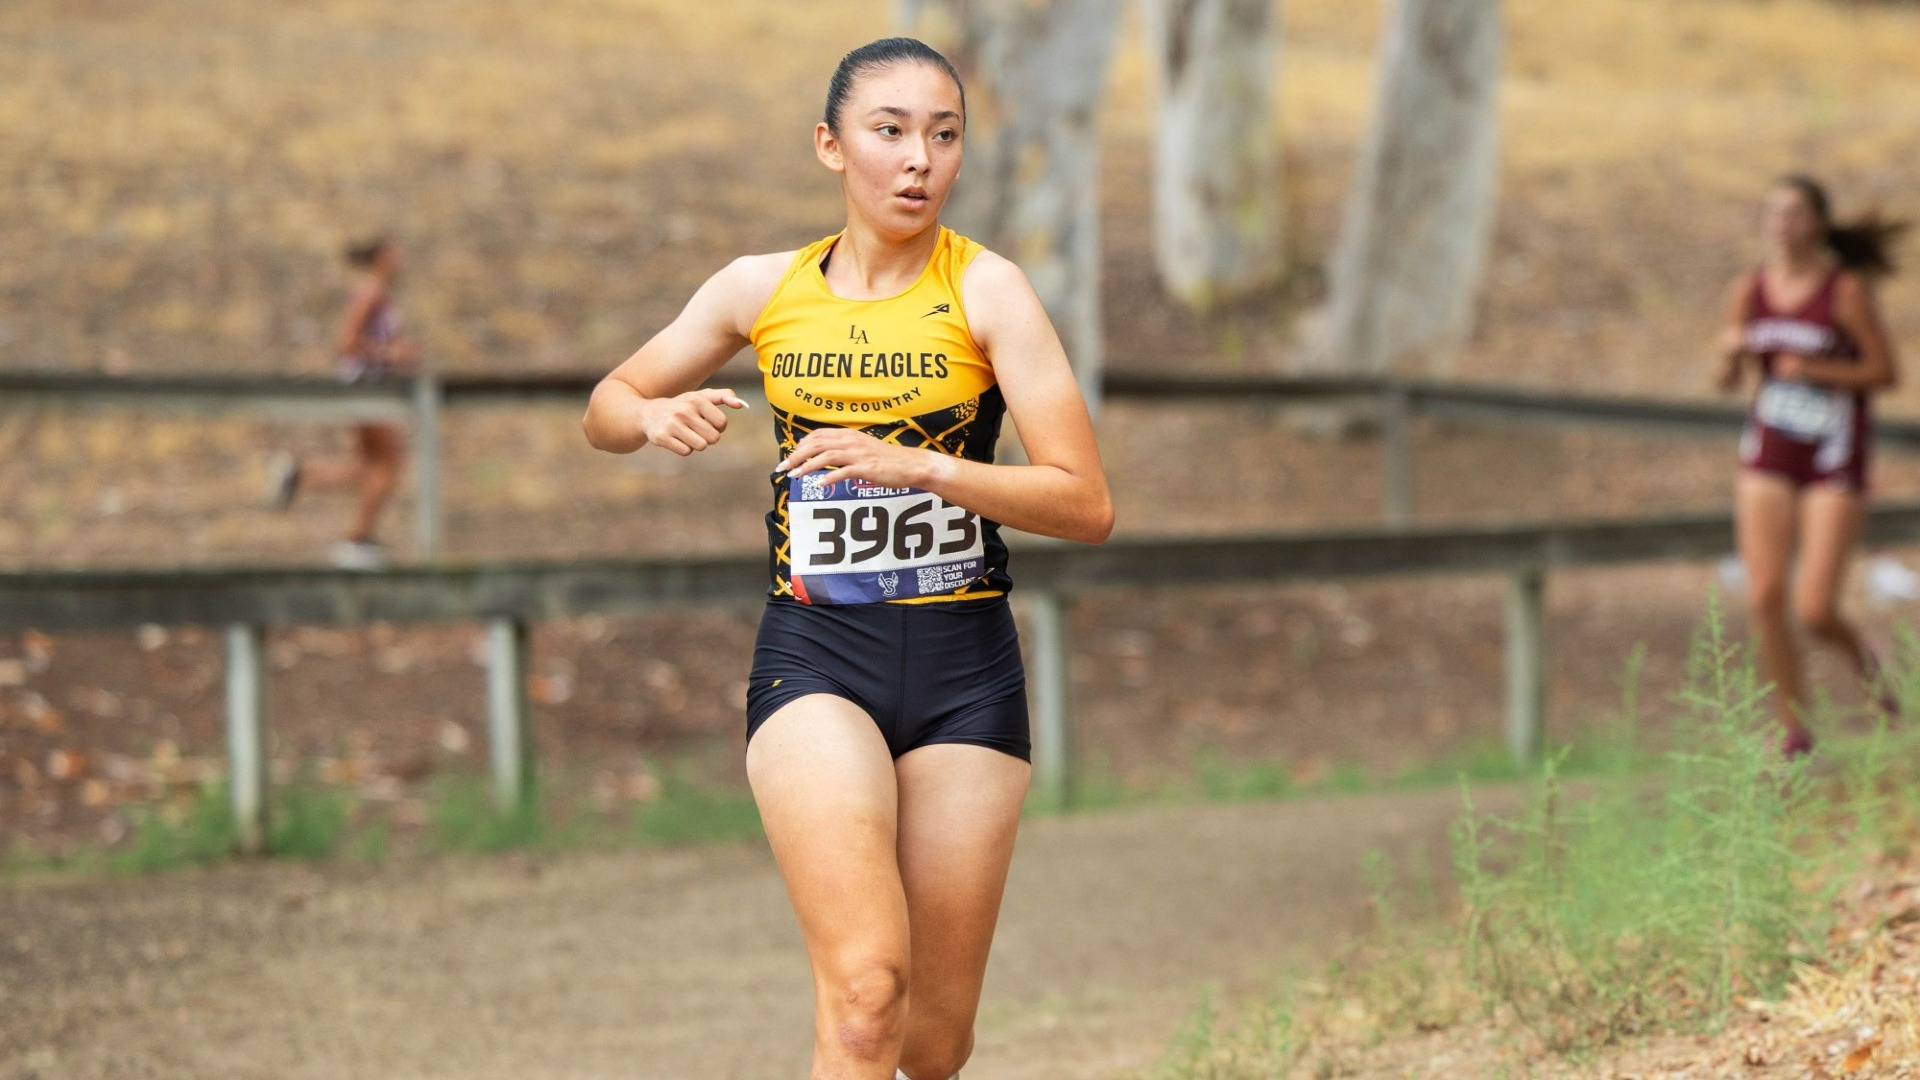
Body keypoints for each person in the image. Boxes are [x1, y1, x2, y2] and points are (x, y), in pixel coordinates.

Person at [583, 38, 1112, 1080]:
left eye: (945, 135)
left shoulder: (991, 293)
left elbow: (1086, 503)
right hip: (817, 660)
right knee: (867, 993)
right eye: (891, 131)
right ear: (831, 146)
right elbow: (604, 404)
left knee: (930, 1039)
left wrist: (924, 470)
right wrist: (650, 418)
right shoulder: (758, 289)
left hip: (967, 674)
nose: (920, 159)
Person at [1716, 175, 1906, 756]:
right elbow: (1727, 380)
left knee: (1816, 606)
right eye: (1774, 213)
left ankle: (1866, 658)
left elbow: (1886, 373)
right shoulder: (1748, 290)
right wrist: (1726, 355)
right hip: (1770, 450)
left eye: (1796, 214)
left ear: (1819, 224)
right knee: (1765, 594)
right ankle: (1791, 728)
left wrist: (1819, 371)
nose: (1784, 224)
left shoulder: (1843, 293)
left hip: (1833, 456)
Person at [269, 235, 418, 569]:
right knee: (388, 467)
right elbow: (347, 343)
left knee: (371, 467)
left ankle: (300, 477)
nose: (400, 261)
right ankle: (356, 541)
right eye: (395, 254)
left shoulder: (374, 293)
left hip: (371, 388)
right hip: (366, 389)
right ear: (381, 257)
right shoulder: (370, 293)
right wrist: (392, 353)